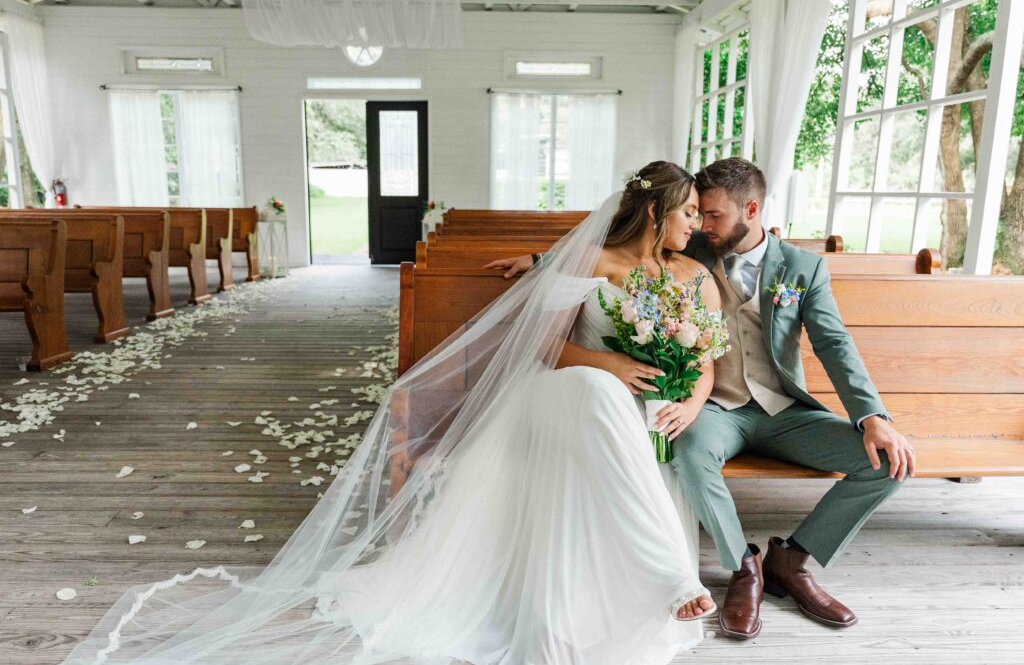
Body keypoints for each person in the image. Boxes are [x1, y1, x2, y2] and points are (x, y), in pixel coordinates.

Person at [64, 162, 721, 665]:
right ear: (655, 210)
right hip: (559, 391)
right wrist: (609, 366)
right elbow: (546, 347)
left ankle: (633, 585)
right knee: (605, 395)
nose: (696, 223)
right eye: (688, 210)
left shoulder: (681, 277)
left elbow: (697, 354)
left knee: (631, 411)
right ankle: (670, 571)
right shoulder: (591, 260)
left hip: (620, 406)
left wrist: (679, 388)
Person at [484, 157, 915, 641]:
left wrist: (872, 416)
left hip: (784, 410)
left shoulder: (803, 267)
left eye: (714, 217)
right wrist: (543, 261)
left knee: (888, 462)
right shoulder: (689, 253)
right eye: (697, 214)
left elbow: (835, 344)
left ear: (750, 209)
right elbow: (619, 250)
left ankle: (791, 560)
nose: (702, 226)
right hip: (715, 411)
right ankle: (743, 568)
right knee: (687, 454)